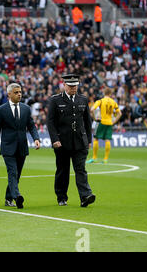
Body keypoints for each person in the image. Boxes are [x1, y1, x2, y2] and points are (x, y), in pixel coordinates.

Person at [47, 74, 96, 207]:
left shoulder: (83, 99)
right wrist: (54, 140)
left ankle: (85, 196)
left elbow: (87, 121)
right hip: (62, 142)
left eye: (75, 86)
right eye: (71, 86)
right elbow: (50, 122)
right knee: (63, 170)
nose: (73, 88)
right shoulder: (55, 100)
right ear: (64, 85)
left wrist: (89, 140)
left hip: (80, 141)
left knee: (81, 169)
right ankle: (61, 197)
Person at [0, 83, 41, 209]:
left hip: (22, 147)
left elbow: (31, 125)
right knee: (12, 172)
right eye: (16, 92)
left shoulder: (25, 108)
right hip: (8, 148)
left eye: (20, 92)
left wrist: (36, 138)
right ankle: (17, 196)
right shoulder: (2, 110)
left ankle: (8, 198)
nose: (19, 94)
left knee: (17, 174)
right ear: (9, 94)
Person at [87, 87, 122, 164]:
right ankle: (105, 159)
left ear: (104, 93)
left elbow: (92, 109)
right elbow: (120, 113)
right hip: (109, 123)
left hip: (101, 122)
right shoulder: (114, 102)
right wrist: (114, 121)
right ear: (110, 94)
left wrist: (94, 117)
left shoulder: (100, 101)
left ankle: (94, 158)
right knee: (107, 140)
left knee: (96, 139)